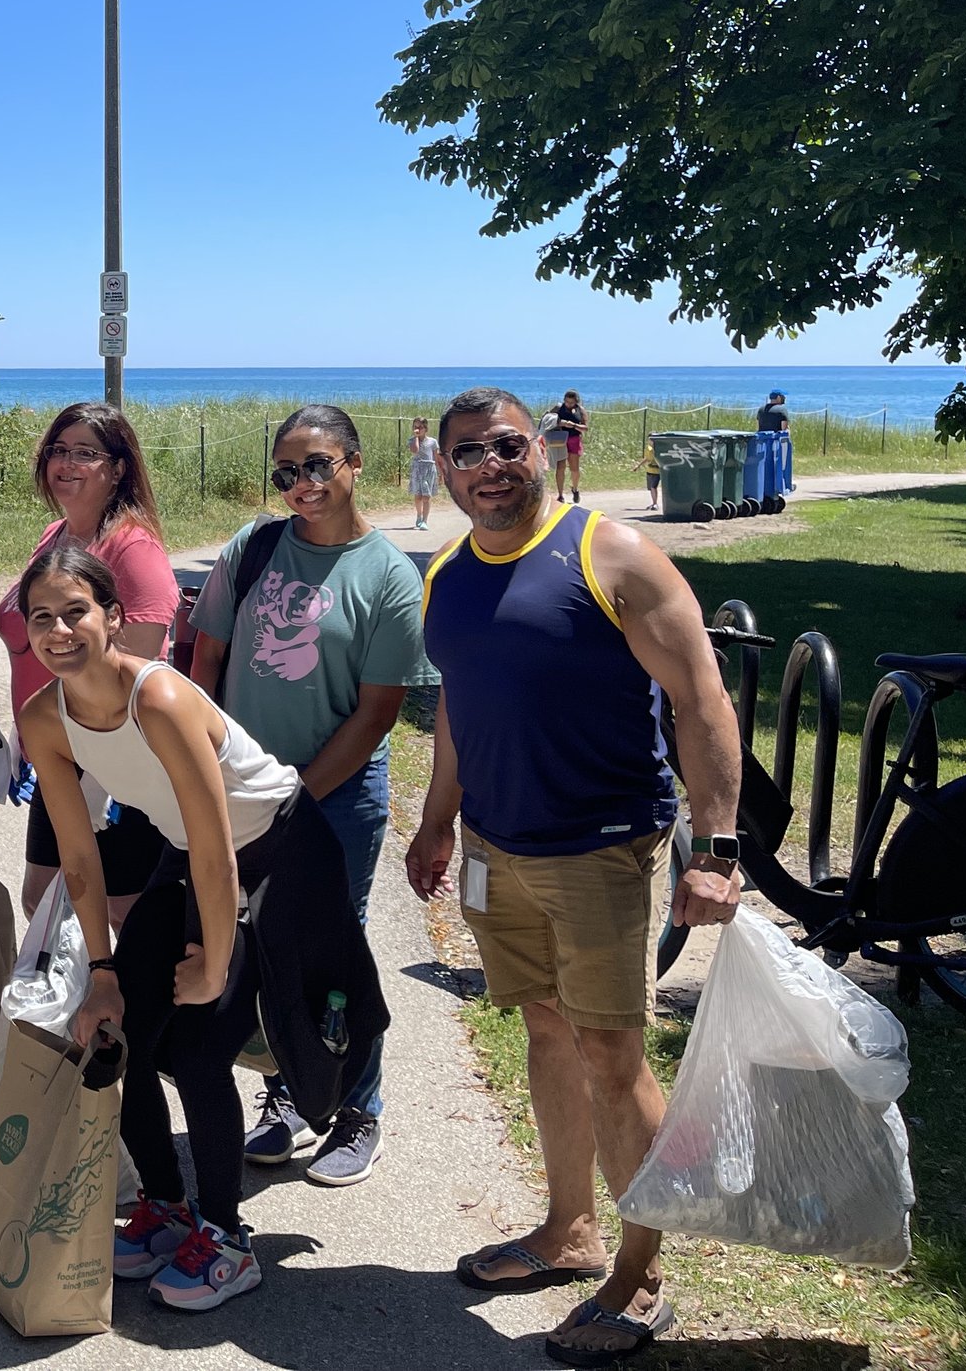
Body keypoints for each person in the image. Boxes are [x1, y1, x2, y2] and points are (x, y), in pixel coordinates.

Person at [406, 385, 744, 1367]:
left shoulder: (610, 555)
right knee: (546, 1030)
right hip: (494, 849)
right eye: (466, 453)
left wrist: (717, 853)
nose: (487, 466)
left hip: (601, 848)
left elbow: (702, 699)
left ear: (543, 449)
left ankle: (640, 1278)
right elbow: (459, 711)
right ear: (445, 467)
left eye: (506, 446)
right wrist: (435, 825)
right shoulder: (447, 575)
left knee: (610, 1054)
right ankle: (567, 1232)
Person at [19, 547, 309, 1312]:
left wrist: (215, 963)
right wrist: (103, 970)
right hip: (190, 852)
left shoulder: (162, 699)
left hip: (276, 848)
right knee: (116, 1031)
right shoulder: (44, 716)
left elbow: (219, 849)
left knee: (199, 1042)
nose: (59, 629)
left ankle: (228, 1237)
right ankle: (165, 1206)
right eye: (41, 617)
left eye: (75, 610)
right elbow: (78, 855)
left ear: (113, 616)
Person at [188, 405, 431, 1190]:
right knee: (257, 939)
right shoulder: (252, 548)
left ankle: (359, 1110)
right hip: (243, 789)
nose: (301, 485)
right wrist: (199, 766)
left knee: (333, 948)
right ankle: (288, 1093)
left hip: (334, 798)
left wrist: (297, 794)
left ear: (356, 463)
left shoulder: (389, 575)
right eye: (286, 471)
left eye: (318, 465)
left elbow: (377, 713)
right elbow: (208, 660)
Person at [0, 403, 178, 920]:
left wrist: (98, 779)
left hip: (113, 768)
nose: (66, 464)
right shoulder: (54, 538)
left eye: (85, 453)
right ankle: (88, 1001)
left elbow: (135, 674)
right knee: (45, 902)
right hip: (58, 757)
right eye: (58, 450)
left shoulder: (132, 550)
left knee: (119, 912)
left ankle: (132, 1002)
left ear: (118, 469)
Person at [552, 389, 590, 504]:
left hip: (574, 440)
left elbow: (586, 428)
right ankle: (560, 494)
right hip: (560, 440)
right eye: (567, 402)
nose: (568, 405)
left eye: (571, 403)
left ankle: (575, 488)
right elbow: (547, 420)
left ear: (576, 402)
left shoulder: (581, 410)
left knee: (574, 469)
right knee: (560, 467)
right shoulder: (558, 408)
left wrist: (573, 425)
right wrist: (561, 423)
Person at [407, 416, 440, 530]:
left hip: (429, 469)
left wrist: (440, 473)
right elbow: (415, 450)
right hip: (417, 469)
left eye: (420, 427)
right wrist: (416, 438)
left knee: (426, 496)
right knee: (418, 496)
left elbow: (436, 457)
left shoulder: (432, 442)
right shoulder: (412, 440)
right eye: (415, 427)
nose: (418, 429)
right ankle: (419, 515)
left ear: (425, 428)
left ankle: (425, 521)